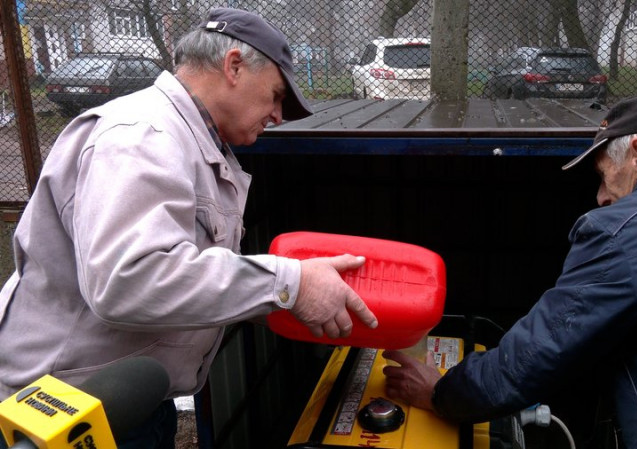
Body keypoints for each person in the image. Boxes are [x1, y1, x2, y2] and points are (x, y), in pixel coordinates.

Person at [0, 8, 377, 449]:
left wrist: (288, 294)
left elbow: (183, 271)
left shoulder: (192, 142)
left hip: (122, 402)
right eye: (275, 96)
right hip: (59, 416)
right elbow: (127, 280)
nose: (277, 115)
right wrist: (288, 283)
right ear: (233, 65)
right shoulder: (143, 137)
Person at [383, 89, 637, 448]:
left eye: (603, 175)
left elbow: (530, 361)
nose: (601, 197)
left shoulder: (629, 227)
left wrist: (440, 392)